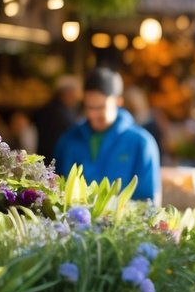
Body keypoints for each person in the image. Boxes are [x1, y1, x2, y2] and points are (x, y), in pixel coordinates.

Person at [54, 68, 160, 203]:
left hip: (123, 222)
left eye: (100, 107)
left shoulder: (141, 142)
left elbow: (148, 201)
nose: (93, 114)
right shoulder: (69, 139)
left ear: (118, 102)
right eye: (89, 107)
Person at [34, 75, 81, 160]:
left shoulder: (52, 108)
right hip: (54, 159)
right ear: (66, 94)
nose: (76, 98)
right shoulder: (59, 113)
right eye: (74, 93)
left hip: (45, 158)